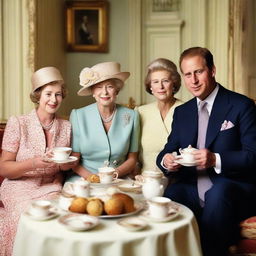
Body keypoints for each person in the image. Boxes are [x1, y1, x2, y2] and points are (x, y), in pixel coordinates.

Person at [156, 47, 256, 256]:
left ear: (212, 70)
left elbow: (252, 155)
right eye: (187, 74)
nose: (193, 80)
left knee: (218, 194)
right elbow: (168, 150)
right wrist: (167, 161)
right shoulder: (182, 112)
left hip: (232, 187)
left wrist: (215, 159)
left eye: (198, 72)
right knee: (171, 195)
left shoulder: (241, 105)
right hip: (191, 186)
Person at [0, 67, 77, 255]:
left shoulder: (66, 126)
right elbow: (4, 168)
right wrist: (34, 163)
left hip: (51, 185)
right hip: (18, 187)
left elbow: (62, 167)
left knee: (62, 217)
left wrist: (62, 173)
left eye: (58, 94)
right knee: (29, 216)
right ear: (37, 95)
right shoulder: (18, 122)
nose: (53, 100)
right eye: (48, 94)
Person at [67, 62, 140, 182]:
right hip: (84, 178)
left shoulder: (132, 116)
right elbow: (74, 161)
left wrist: (114, 174)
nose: (104, 92)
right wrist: (93, 178)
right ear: (93, 92)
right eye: (99, 87)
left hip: (119, 178)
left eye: (110, 87)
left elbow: (132, 159)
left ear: (117, 90)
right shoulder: (78, 115)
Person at [136, 58, 183, 173]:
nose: (160, 86)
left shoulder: (187, 110)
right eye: (155, 82)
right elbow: (134, 153)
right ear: (150, 87)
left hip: (178, 179)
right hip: (146, 179)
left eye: (165, 81)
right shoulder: (140, 112)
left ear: (174, 85)